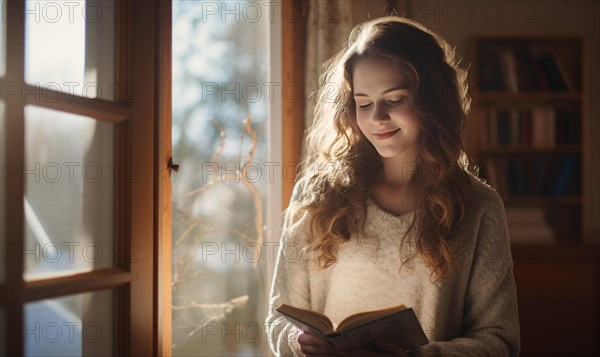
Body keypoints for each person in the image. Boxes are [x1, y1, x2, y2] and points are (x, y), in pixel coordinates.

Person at [265, 16, 520, 357]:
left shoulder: (478, 206)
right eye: (364, 103)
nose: (377, 118)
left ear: (433, 99)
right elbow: (278, 320)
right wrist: (299, 344)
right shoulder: (316, 196)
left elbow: (500, 340)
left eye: (395, 99)